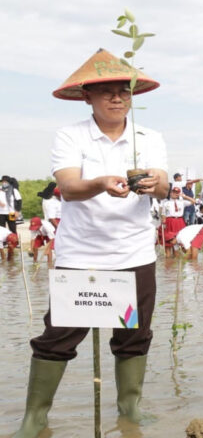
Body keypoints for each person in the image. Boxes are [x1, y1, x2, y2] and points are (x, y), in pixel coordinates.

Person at [13, 48, 168, 437]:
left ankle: (129, 408)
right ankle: (36, 417)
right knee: (59, 334)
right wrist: (100, 182)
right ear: (87, 97)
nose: (116, 98)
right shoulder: (71, 135)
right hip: (81, 254)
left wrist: (155, 184)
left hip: (134, 252)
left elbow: (164, 185)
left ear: (132, 96)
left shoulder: (148, 138)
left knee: (134, 334)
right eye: (106, 92)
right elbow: (68, 186)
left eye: (123, 91)